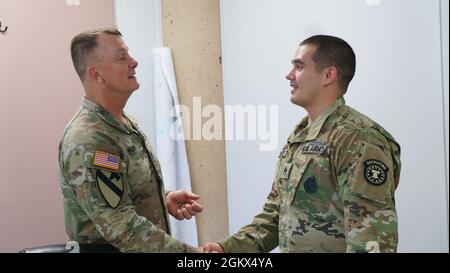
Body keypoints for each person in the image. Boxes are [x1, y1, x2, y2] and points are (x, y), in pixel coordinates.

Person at [203, 35, 401, 253]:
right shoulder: (300, 137)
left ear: (328, 75)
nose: (289, 75)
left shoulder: (358, 139)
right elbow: (275, 216)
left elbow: (370, 237)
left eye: (299, 66)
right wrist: (226, 249)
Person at [59, 28, 203, 252]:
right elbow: (121, 226)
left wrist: (162, 199)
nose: (134, 62)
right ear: (96, 74)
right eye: (122, 57)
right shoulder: (90, 139)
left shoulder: (122, 124)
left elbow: (116, 194)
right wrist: (190, 255)